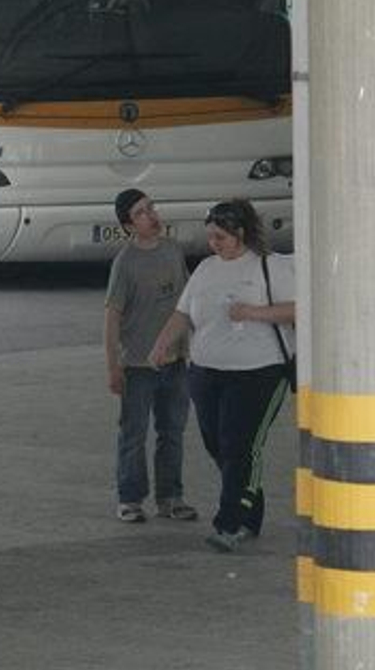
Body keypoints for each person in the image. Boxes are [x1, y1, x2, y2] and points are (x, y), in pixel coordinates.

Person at [147, 200, 295, 552]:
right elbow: (183, 312)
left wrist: (253, 313)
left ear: (240, 233)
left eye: (221, 237)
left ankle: (229, 523)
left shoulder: (270, 267)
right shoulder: (206, 269)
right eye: (210, 237)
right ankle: (250, 510)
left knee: (241, 446)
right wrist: (161, 345)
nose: (214, 243)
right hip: (206, 372)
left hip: (259, 372)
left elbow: (299, 309)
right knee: (218, 445)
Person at [105, 188, 197, 524]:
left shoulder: (173, 251)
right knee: (134, 432)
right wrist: (114, 365)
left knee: (172, 431)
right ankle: (130, 498)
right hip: (138, 365)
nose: (153, 216)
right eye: (142, 212)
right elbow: (112, 317)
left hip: (175, 362)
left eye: (152, 208)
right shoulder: (125, 263)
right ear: (129, 225)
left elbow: (187, 302)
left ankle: (170, 497)